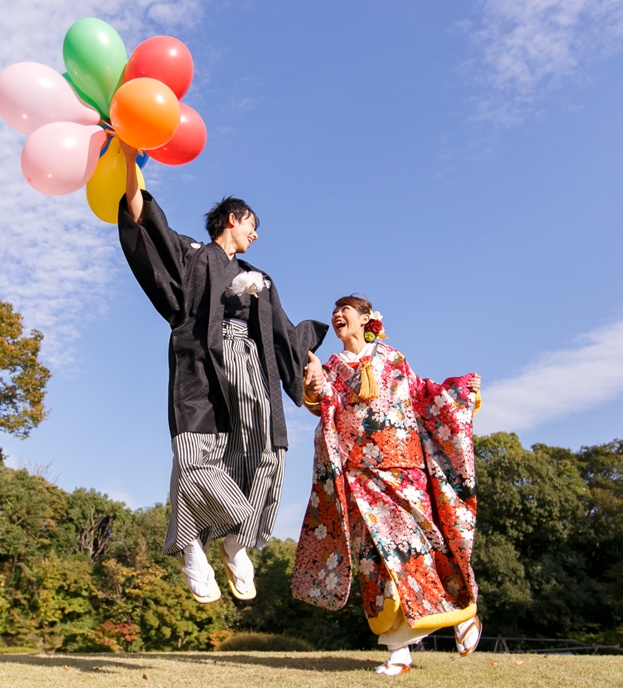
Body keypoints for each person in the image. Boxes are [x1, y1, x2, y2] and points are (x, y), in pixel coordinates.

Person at [117, 142, 328, 603]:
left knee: (267, 457)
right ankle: (192, 546)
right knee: (195, 459)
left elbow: (285, 333)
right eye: (253, 225)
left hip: (252, 373)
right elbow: (142, 219)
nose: (256, 235)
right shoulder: (194, 255)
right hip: (202, 366)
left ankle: (235, 543)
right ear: (233, 218)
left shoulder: (261, 278)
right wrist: (130, 160)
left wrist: (310, 362)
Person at [292, 295, 482, 676]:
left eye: (346, 309)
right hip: (359, 475)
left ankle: (462, 612)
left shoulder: (393, 358)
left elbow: (423, 395)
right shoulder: (330, 367)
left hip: (403, 468)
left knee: (424, 544)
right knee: (375, 560)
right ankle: (398, 651)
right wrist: (312, 382)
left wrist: (461, 391)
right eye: (335, 311)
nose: (337, 315)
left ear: (366, 319)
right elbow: (320, 401)